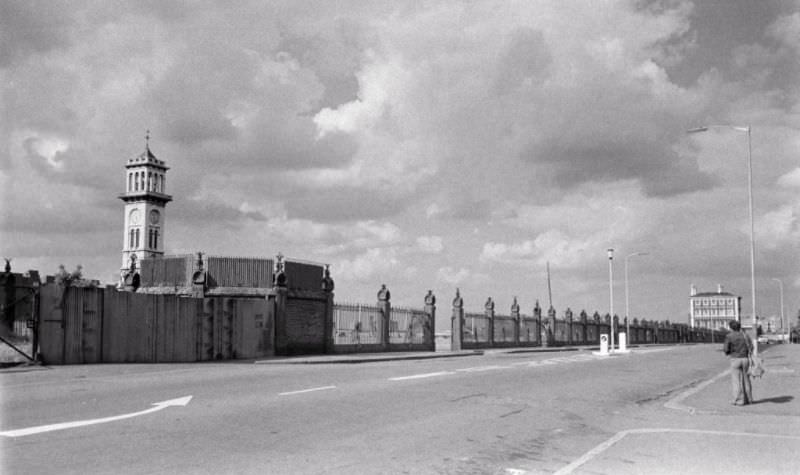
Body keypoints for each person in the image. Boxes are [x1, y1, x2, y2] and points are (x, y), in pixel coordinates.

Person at [722, 320, 753, 405]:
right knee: (746, 379)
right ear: (739, 327)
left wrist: (729, 352)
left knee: (736, 381)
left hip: (735, 359)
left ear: (731, 327)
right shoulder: (745, 335)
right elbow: (751, 347)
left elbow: (726, 349)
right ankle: (749, 399)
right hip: (746, 359)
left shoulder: (729, 336)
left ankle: (739, 400)